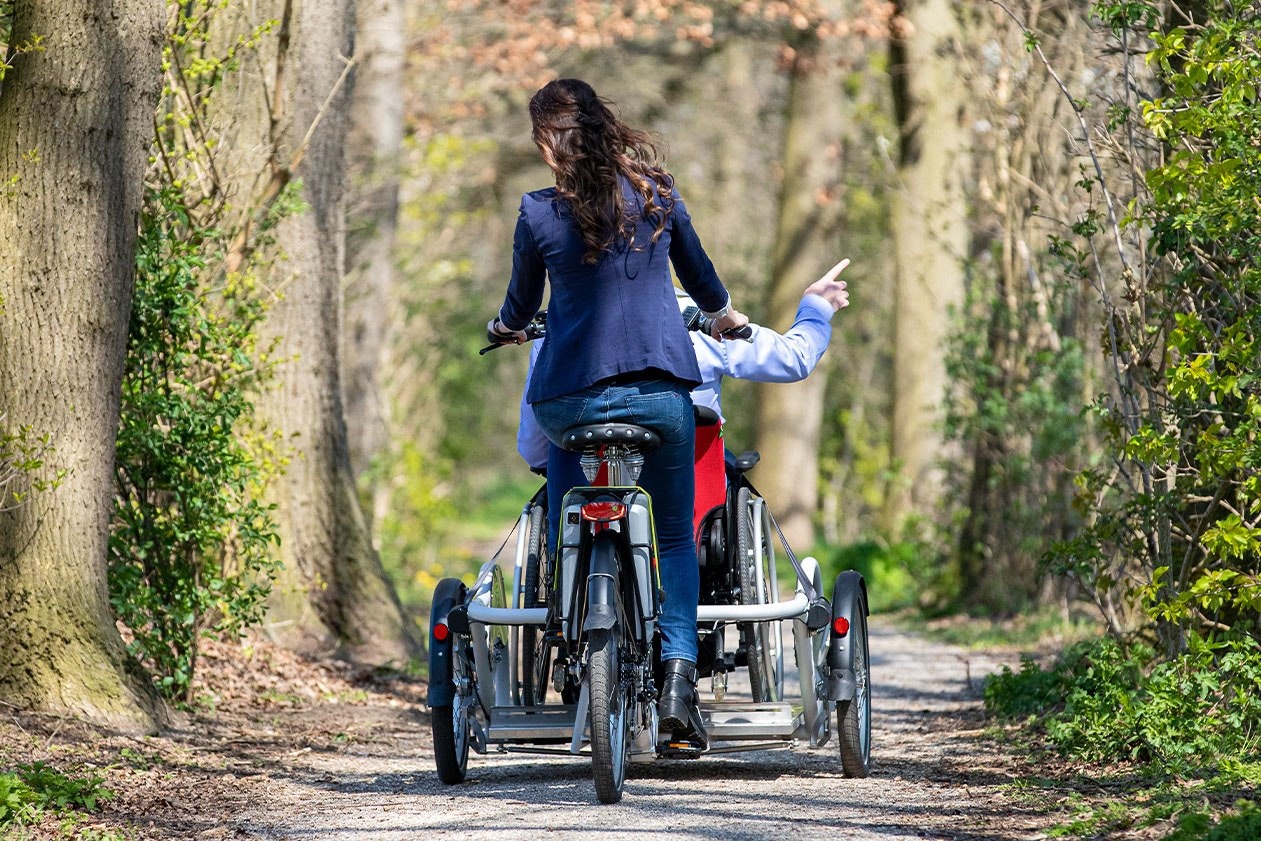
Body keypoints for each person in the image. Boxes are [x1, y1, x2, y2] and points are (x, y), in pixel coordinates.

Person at [488, 78, 748, 749]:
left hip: (568, 397)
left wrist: (506, 325)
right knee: (672, 537)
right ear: (605, 126)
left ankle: (562, 615)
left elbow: (519, 305)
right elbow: (700, 277)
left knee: (563, 489)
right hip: (661, 393)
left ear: (548, 142)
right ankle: (679, 676)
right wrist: (723, 317)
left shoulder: (537, 212)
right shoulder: (657, 193)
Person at [517, 259, 852, 473]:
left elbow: (534, 448)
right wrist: (816, 307)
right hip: (689, 479)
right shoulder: (704, 322)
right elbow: (794, 359)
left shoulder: (555, 330)